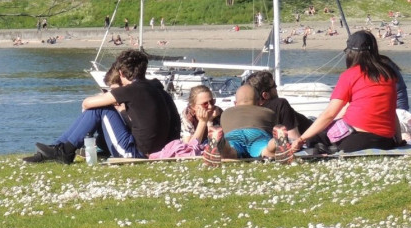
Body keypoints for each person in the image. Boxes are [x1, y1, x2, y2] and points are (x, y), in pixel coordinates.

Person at [24, 50, 179, 163]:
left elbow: (86, 103)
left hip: (135, 153)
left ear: (121, 73)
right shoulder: (156, 89)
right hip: (158, 150)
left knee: (101, 108)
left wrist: (104, 102)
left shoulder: (131, 90)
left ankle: (63, 150)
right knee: (105, 109)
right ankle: (60, 148)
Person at [292, 30, 401, 154]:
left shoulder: (350, 75)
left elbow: (329, 114)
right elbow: (392, 110)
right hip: (386, 141)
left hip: (356, 139)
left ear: (351, 53)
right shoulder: (388, 74)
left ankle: (327, 149)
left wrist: (301, 138)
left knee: (314, 137)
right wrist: (398, 139)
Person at [205, 85, 285, 163]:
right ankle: (276, 141)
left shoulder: (226, 113)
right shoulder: (268, 113)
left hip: (234, 134)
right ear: (259, 102)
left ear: (235, 103)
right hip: (257, 133)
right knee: (266, 150)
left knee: (230, 152)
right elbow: (270, 131)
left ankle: (221, 144)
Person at [245, 71, 313, 143]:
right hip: (316, 139)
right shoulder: (280, 104)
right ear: (265, 95)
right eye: (274, 87)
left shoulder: (248, 112)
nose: (276, 89)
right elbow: (294, 139)